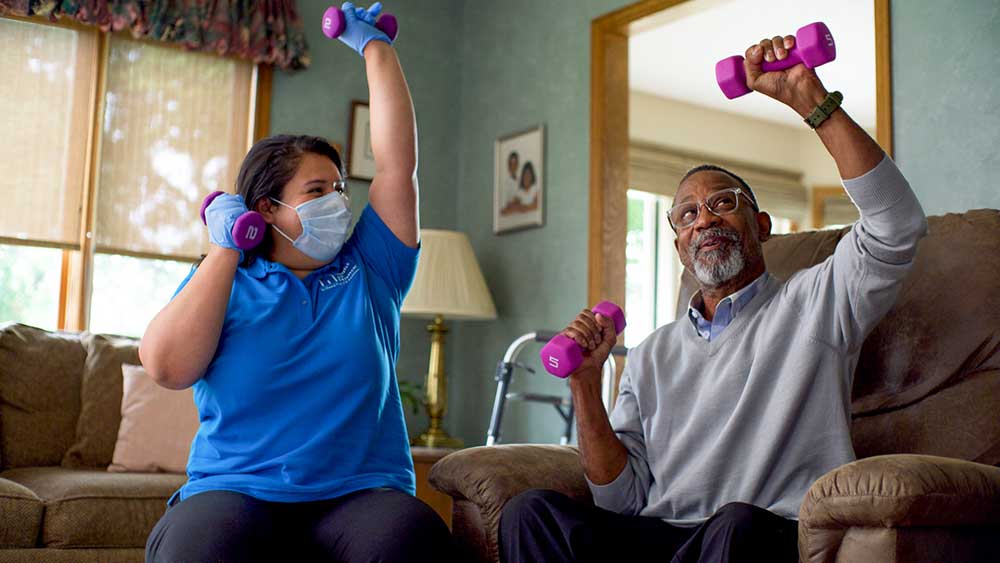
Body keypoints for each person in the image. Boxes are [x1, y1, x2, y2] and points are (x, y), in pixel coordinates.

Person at [499, 31, 928, 563]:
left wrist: (809, 100)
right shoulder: (651, 355)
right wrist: (586, 387)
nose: (705, 219)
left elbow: (896, 224)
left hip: (755, 535)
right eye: (688, 214)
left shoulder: (816, 303)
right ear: (679, 244)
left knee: (736, 524)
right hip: (664, 539)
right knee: (530, 513)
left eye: (724, 203)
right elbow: (621, 498)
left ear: (761, 225)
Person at [140, 3, 454, 561]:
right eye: (317, 191)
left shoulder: (371, 268)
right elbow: (166, 366)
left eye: (339, 189)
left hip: (360, 496)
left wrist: (375, 47)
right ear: (267, 206)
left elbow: (394, 165)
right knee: (196, 549)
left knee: (412, 540)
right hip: (235, 491)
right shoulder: (227, 279)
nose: (337, 201)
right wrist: (225, 246)